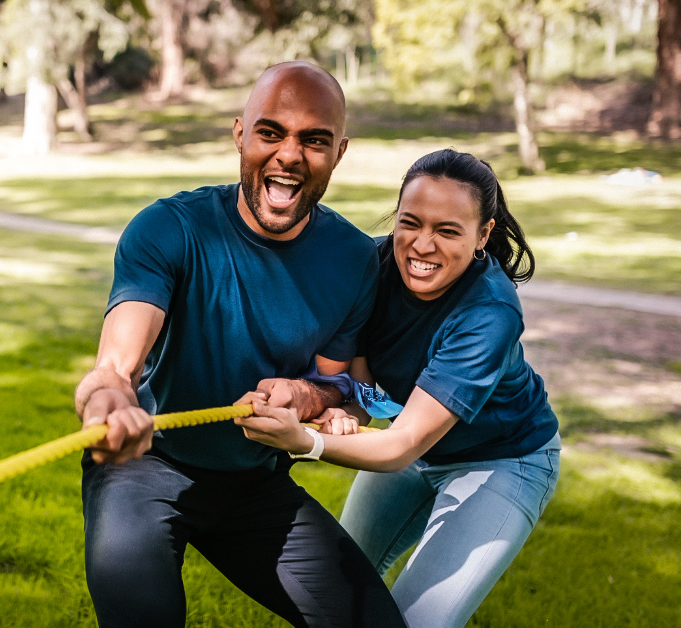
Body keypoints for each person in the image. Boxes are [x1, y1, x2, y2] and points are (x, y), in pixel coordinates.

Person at [74, 61, 406, 628]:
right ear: (239, 134)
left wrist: (305, 397)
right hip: (144, 467)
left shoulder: (355, 260)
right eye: (270, 132)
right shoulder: (170, 228)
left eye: (314, 140)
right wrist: (109, 396)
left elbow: (334, 384)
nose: (289, 155)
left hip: (254, 485)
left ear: (340, 153)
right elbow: (115, 362)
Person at [236, 148, 561, 628]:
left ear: (483, 235)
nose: (421, 246)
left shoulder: (489, 313)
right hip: (413, 444)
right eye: (410, 223)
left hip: (502, 460)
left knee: (417, 622)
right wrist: (345, 410)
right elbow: (366, 389)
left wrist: (306, 442)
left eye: (448, 230)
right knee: (337, 594)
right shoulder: (372, 266)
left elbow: (403, 444)